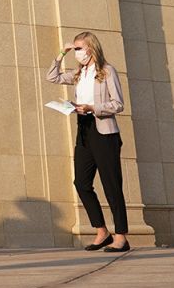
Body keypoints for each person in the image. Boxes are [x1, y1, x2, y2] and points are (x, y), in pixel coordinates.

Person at [46, 31, 130, 253]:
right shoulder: (78, 73)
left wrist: (94, 108)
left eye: (79, 48)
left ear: (91, 48)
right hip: (84, 130)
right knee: (81, 183)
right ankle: (102, 231)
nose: (78, 53)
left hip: (104, 131)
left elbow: (118, 104)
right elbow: (52, 77)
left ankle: (121, 236)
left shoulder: (107, 71)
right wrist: (62, 53)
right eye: (75, 49)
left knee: (111, 185)